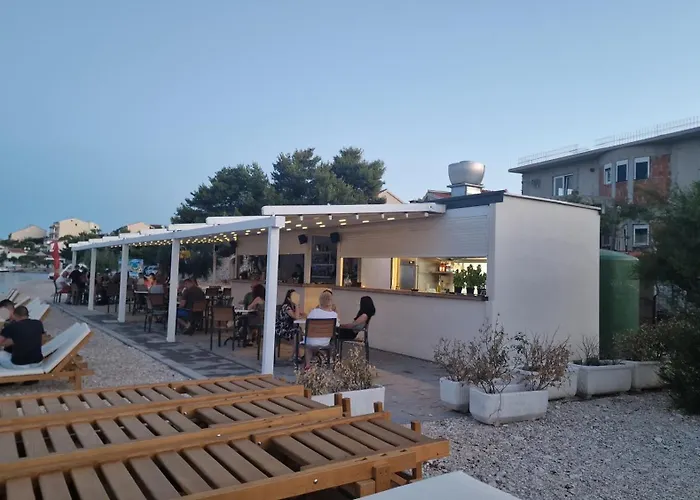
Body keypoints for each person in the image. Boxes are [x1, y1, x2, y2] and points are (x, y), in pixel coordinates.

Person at [303, 290, 339, 368]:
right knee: (332, 340)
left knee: (308, 345)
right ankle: (327, 359)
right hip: (324, 342)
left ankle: (308, 364)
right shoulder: (334, 315)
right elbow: (337, 326)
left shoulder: (313, 312)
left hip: (311, 341)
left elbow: (307, 326)